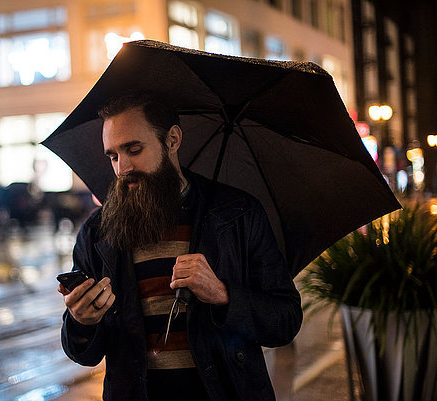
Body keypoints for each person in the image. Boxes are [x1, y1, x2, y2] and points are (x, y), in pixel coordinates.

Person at [58, 92, 302, 401]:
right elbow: (85, 354)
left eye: (134, 149)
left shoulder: (237, 213)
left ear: (172, 139)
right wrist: (81, 322)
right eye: (113, 156)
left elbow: (285, 319)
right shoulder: (98, 232)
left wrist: (223, 295)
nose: (122, 167)